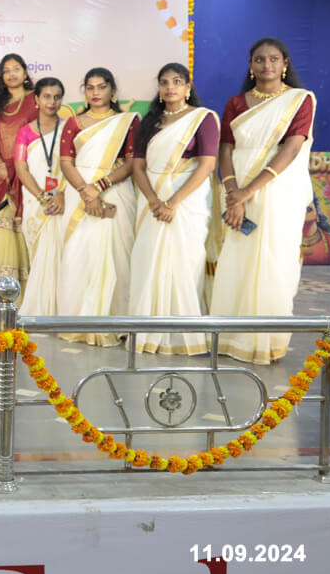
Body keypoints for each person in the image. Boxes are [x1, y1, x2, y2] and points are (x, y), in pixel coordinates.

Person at [211, 37, 316, 364]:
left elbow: (292, 148)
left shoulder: (300, 100)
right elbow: (225, 149)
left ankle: (265, 341)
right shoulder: (236, 103)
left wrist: (247, 191)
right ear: (250, 65)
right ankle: (231, 338)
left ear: (285, 64)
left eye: (273, 59)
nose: (266, 65)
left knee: (274, 259)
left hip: (278, 191)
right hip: (238, 188)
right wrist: (233, 193)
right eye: (259, 59)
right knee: (238, 258)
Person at [129, 63, 219, 355]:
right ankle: (146, 332)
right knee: (147, 261)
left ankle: (183, 336)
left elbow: (207, 164)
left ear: (188, 87)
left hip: (187, 203)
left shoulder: (202, 118)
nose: (170, 87)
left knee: (185, 262)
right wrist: (154, 201)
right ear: (158, 88)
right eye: (165, 82)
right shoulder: (149, 122)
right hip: (151, 202)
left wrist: (175, 201)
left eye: (177, 81)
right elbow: (138, 167)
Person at [57, 68, 138, 344]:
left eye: (101, 87)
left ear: (112, 91)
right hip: (79, 193)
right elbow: (66, 161)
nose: (95, 92)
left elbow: (132, 162)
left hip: (115, 190)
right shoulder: (74, 123)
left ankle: (117, 321)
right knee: (78, 252)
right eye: (90, 87)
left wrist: (100, 186)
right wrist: (86, 192)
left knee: (118, 255)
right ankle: (78, 322)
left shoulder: (126, 122)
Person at [0, 54, 39, 320]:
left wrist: (21, 172)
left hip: (32, 173)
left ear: (25, 72)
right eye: (6, 70)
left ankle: (34, 297)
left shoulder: (37, 100)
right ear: (1, 77)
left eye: (16, 69)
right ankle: (4, 297)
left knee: (31, 231)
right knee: (5, 235)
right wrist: (3, 169)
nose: (12, 74)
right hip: (1, 176)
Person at [14, 77, 67, 317]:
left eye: (57, 97)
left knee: (63, 256)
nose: (51, 102)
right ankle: (40, 309)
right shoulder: (25, 132)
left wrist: (61, 195)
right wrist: (41, 197)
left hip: (63, 201)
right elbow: (21, 168)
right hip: (36, 202)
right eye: (46, 96)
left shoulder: (69, 129)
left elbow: (75, 165)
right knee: (38, 254)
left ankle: (61, 308)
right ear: (36, 99)